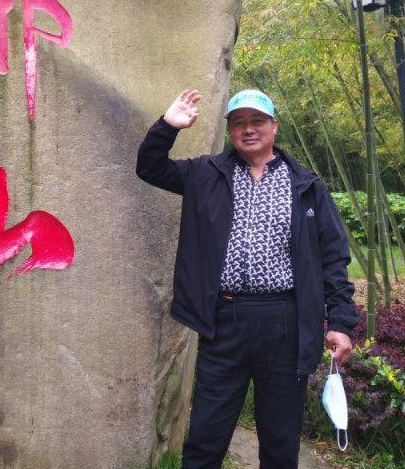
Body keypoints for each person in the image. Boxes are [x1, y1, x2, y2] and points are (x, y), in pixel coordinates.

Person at [136, 88, 360, 469]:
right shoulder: (206, 174)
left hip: (285, 323)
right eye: (239, 123)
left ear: (274, 126)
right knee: (205, 438)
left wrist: (340, 321)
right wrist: (168, 126)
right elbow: (149, 167)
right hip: (224, 320)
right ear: (230, 131)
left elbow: (333, 258)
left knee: (280, 444)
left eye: (257, 121)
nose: (248, 129)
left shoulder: (306, 185)